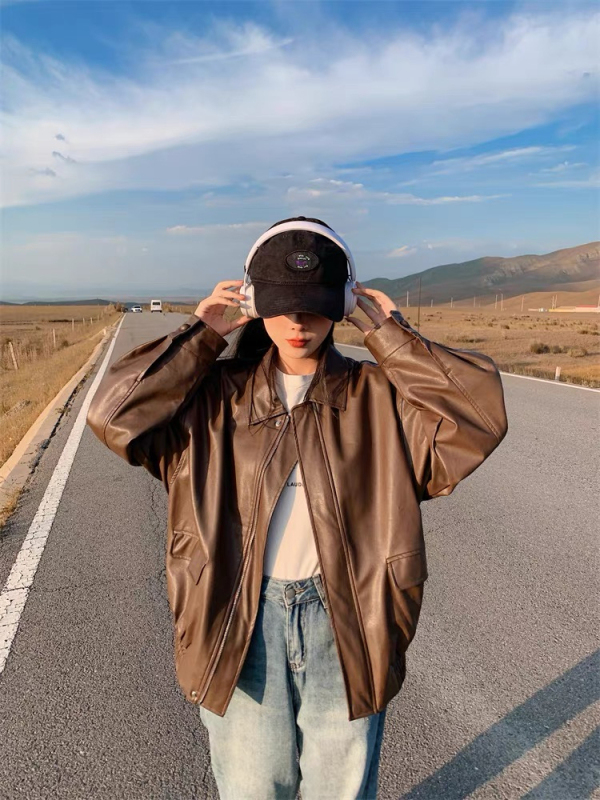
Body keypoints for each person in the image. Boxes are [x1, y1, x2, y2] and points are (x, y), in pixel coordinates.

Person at [86, 216, 508, 800]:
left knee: (340, 791)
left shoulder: (379, 398)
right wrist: (201, 336)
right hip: (238, 618)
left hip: (350, 619)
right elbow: (113, 414)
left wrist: (391, 335)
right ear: (254, 302)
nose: (298, 321)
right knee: (254, 789)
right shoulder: (213, 400)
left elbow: (478, 416)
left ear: (342, 304)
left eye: (316, 304)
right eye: (283, 304)